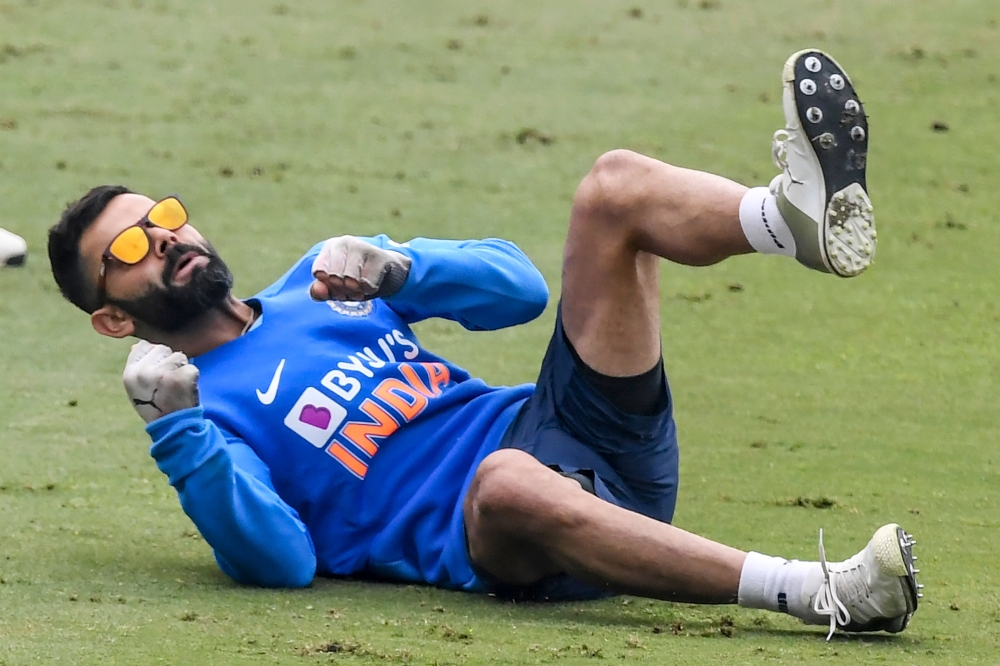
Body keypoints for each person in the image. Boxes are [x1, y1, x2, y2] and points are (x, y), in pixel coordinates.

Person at [47, 50, 919, 640]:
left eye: (160, 217)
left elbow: (522, 292)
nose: (162, 239)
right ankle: (823, 592)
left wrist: (401, 270)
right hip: (511, 530)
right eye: (126, 251)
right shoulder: (203, 415)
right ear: (113, 319)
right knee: (502, 481)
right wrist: (179, 434)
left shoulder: (320, 279)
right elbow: (281, 563)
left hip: (573, 429)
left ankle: (784, 219)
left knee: (613, 187)